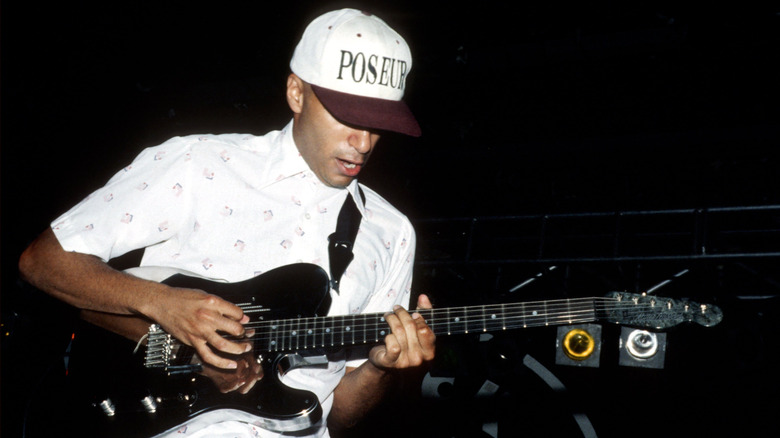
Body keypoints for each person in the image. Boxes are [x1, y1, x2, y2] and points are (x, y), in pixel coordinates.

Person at [18, 8, 435, 438]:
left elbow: (341, 414)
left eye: (378, 124)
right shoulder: (199, 163)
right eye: (346, 117)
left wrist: (379, 370)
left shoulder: (392, 232)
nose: (363, 143)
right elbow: (43, 261)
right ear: (296, 92)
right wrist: (162, 304)